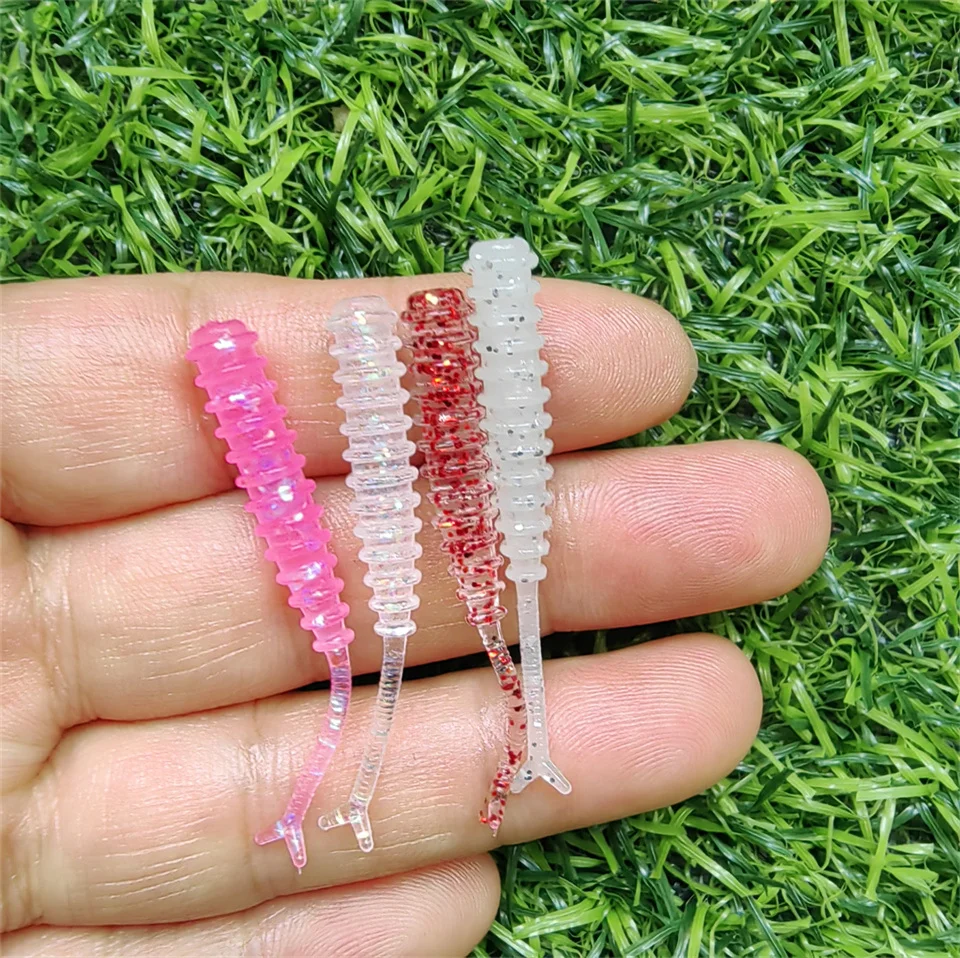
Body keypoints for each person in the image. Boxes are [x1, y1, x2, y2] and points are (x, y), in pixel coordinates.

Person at [0, 272, 830, 956]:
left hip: (470, 557)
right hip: (366, 594)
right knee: (375, 623)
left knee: (476, 586)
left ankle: (496, 757)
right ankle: (462, 766)